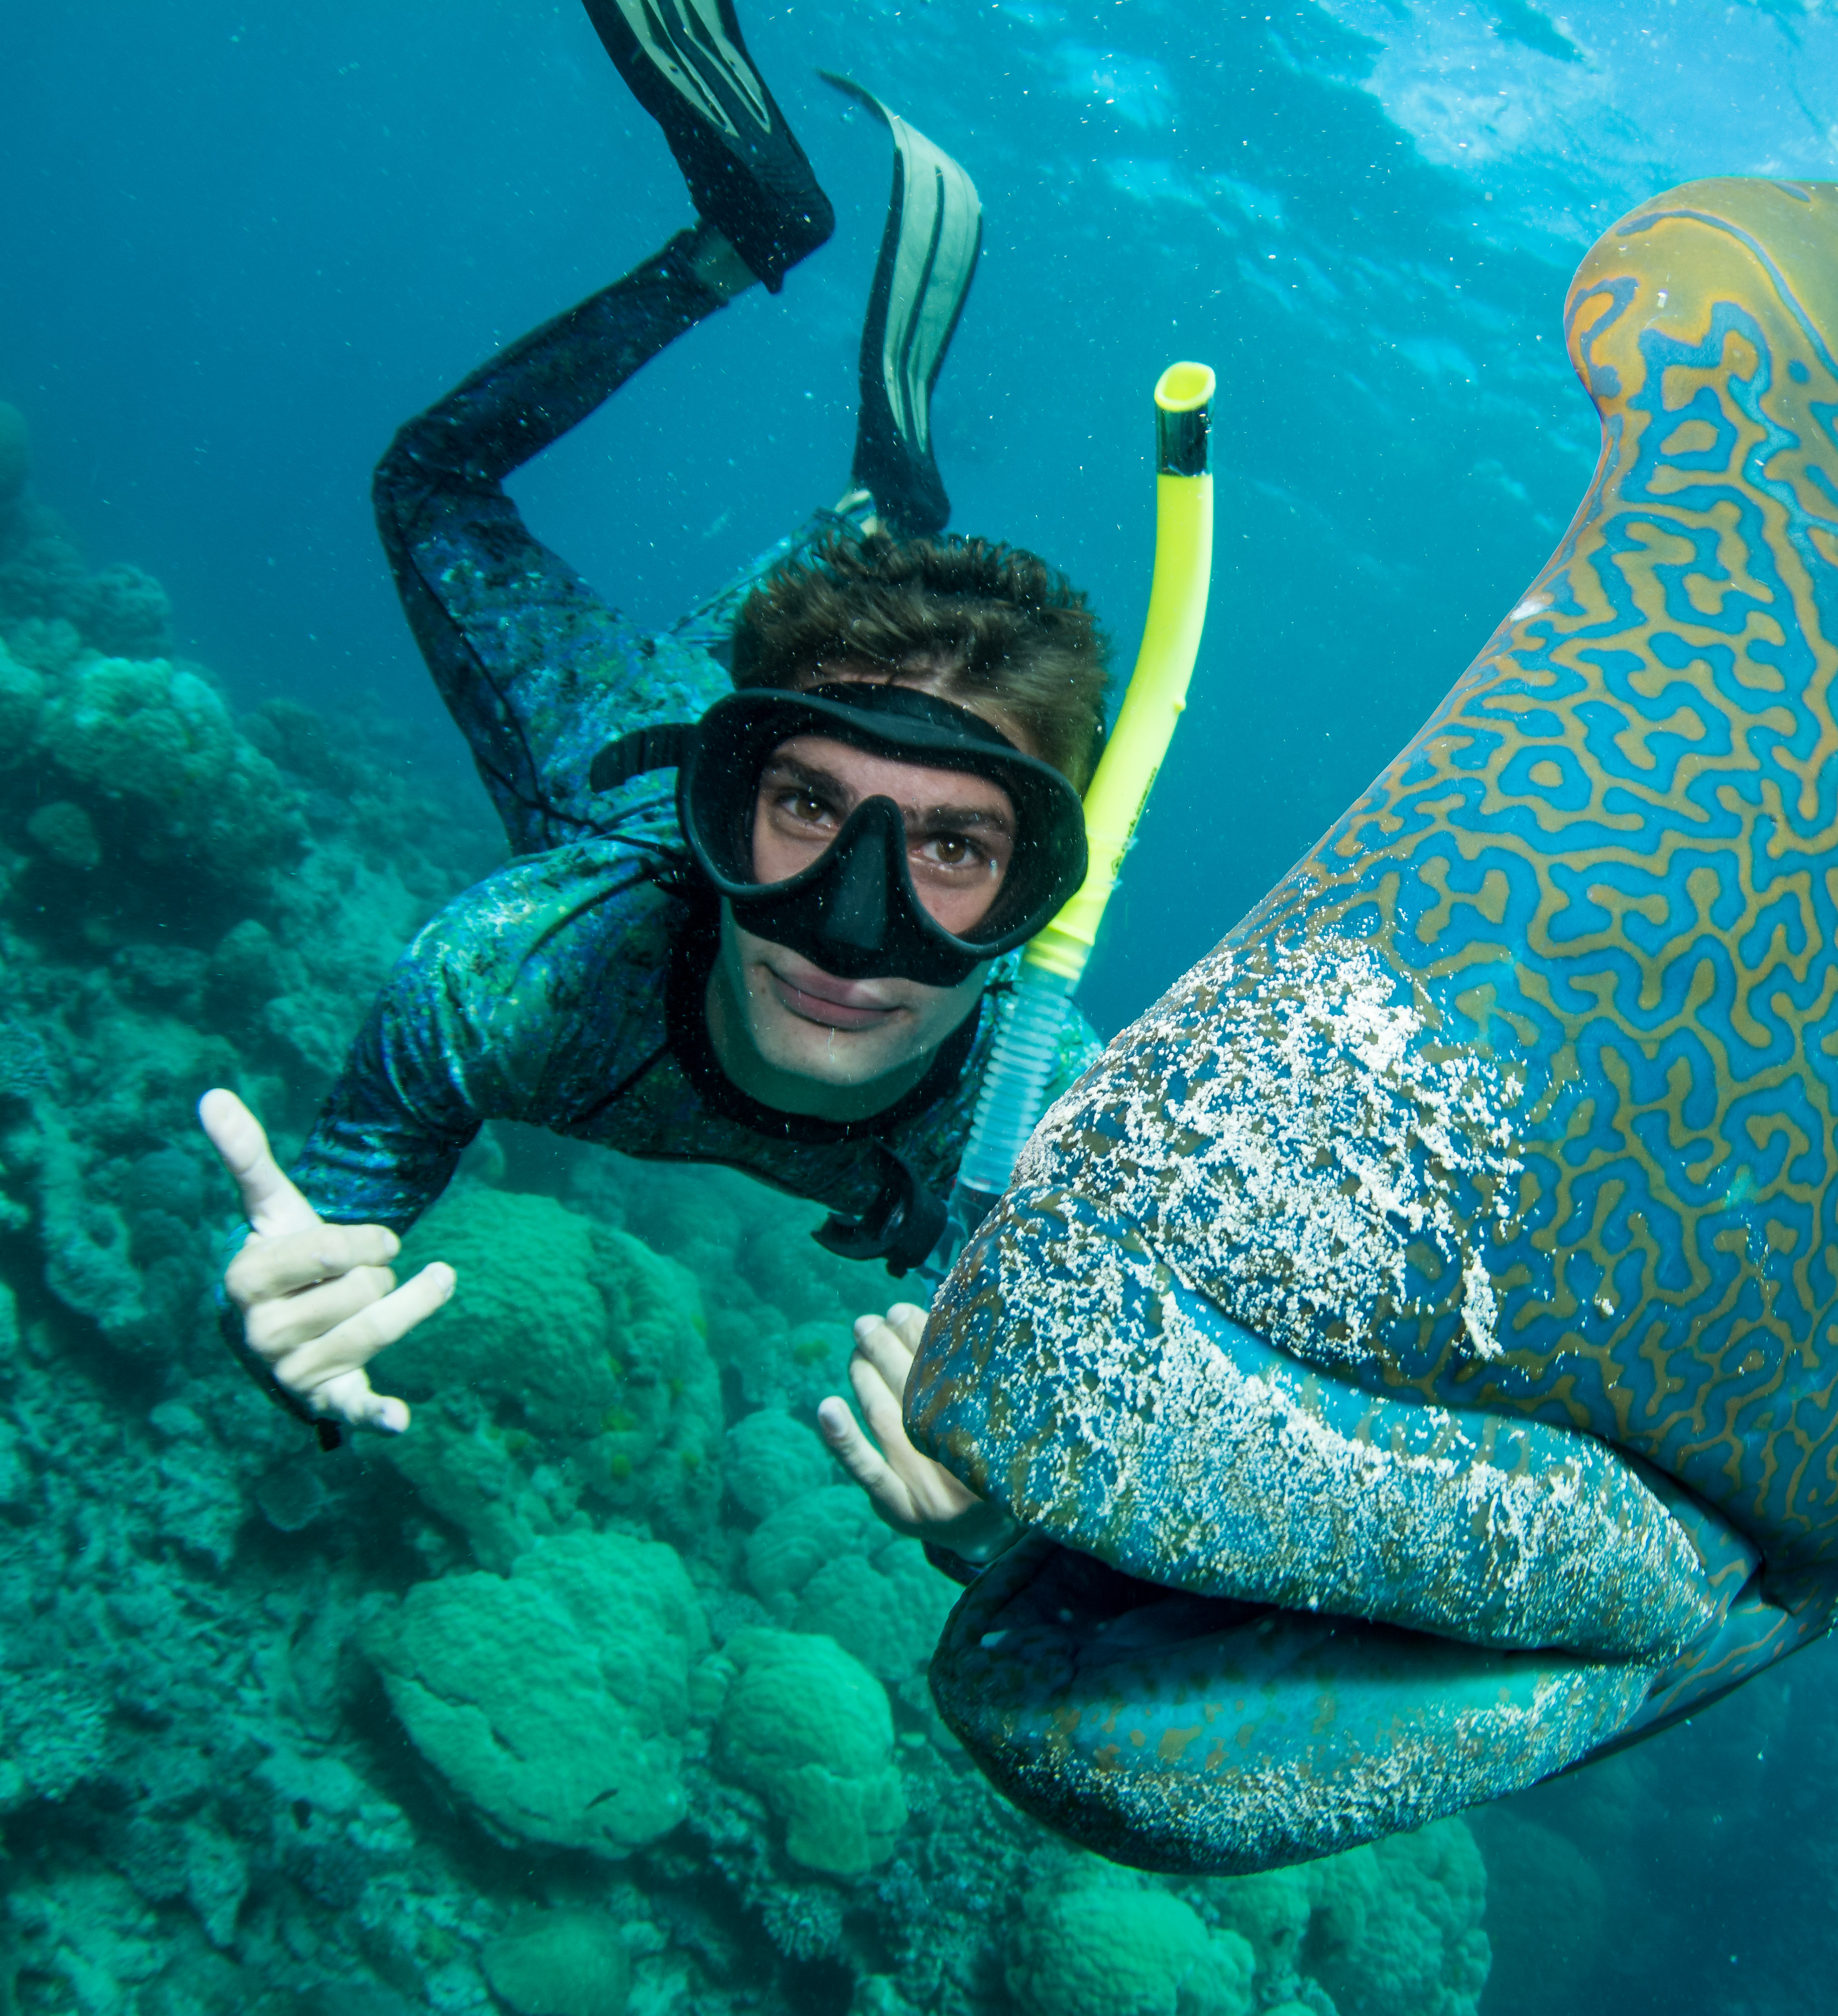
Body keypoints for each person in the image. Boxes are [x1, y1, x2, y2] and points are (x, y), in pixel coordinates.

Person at [198, 0, 1073, 1570]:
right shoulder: (514, 975)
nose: (848, 931)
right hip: (623, 738)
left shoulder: (1045, 1132)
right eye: (802, 807)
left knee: (860, 553)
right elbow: (330, 1248)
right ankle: (741, 257)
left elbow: (1119, 1524)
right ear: (717, 801)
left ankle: (881, 502)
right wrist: (294, 1331)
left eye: (954, 846)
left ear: (1036, 895)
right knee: (431, 483)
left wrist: (1004, 1530)